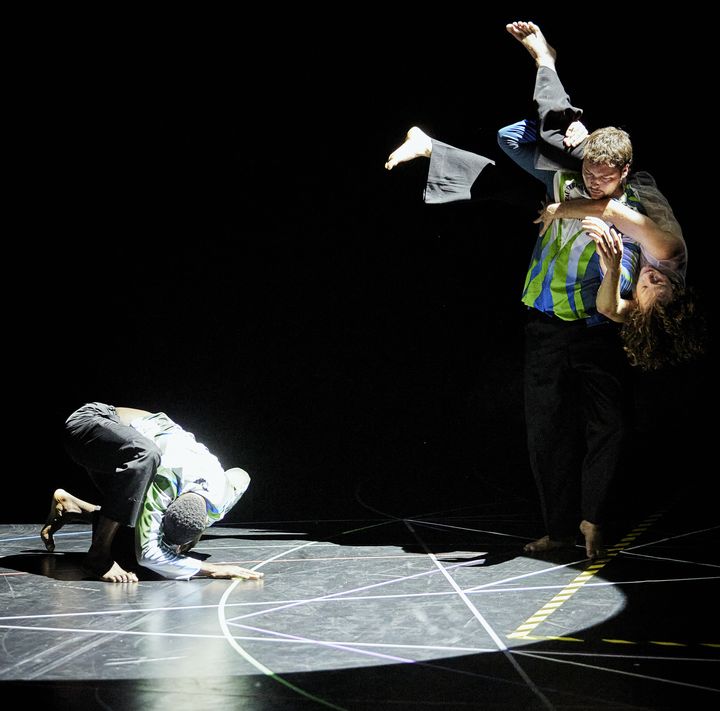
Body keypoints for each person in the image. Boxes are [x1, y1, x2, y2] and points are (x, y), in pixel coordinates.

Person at [384, 37, 661, 560]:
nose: (592, 184)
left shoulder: (633, 210)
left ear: (624, 173)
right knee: (546, 430)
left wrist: (610, 264)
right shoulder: (564, 179)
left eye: (604, 177)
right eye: (588, 173)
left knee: (612, 426)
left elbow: (631, 283)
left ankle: (594, 520)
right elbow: (511, 135)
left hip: (600, 330)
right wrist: (568, 127)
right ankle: (558, 529)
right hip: (546, 325)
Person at [499, 21, 705, 371]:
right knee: (556, 137)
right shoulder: (669, 253)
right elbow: (608, 208)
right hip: (624, 183)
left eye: (645, 289)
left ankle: (435, 152)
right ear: (677, 290)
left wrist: (611, 270)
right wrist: (558, 210)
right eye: (659, 282)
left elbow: (610, 309)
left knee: (519, 180)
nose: (649, 279)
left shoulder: (649, 308)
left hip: (612, 191)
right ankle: (546, 60)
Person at [41, 402, 263, 583]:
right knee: (148, 455)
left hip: (121, 452)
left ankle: (72, 506)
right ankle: (97, 557)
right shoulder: (165, 485)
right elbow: (149, 555)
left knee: (128, 547)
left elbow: (241, 475)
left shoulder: (223, 494)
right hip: (89, 424)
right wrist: (212, 569)